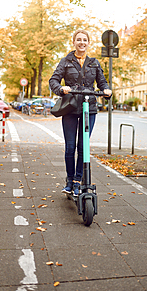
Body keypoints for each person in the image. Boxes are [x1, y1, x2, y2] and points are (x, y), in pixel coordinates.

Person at [49, 29, 112, 196]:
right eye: (78, 40)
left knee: (83, 147)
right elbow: (53, 80)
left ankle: (78, 181)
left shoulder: (94, 63)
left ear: (88, 43)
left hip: (88, 108)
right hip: (70, 108)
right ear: (74, 42)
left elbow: (102, 82)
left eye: (85, 40)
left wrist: (106, 90)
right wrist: (61, 89)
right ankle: (69, 181)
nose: (82, 42)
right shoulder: (66, 61)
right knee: (70, 147)